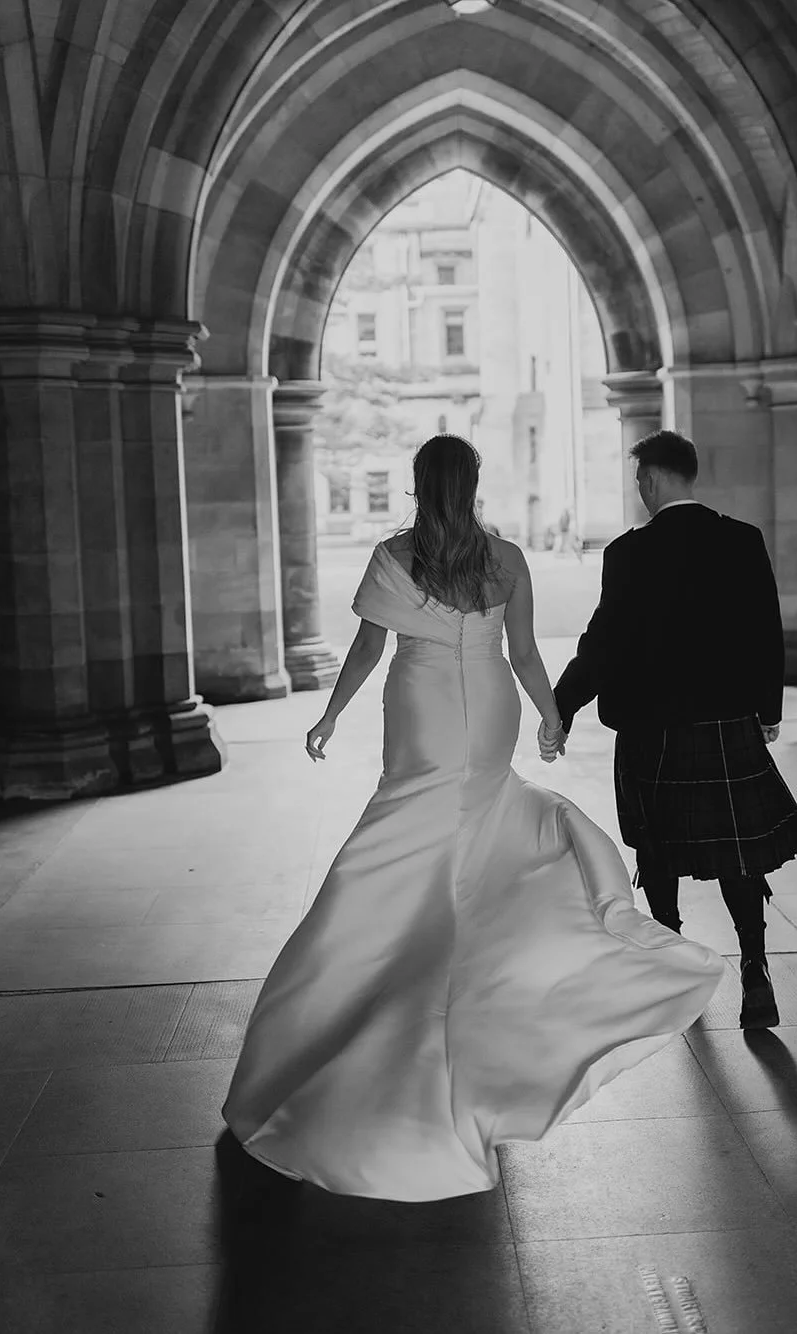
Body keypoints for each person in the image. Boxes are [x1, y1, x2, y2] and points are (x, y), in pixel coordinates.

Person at [222, 435, 723, 1201]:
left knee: (399, 838)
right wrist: (550, 719)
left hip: (421, 706)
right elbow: (522, 652)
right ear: (475, 482)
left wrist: (328, 715)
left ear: (421, 484)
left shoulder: (395, 554)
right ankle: (470, 988)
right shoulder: (507, 558)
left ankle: (378, 997)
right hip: (487, 704)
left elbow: (364, 647)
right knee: (483, 831)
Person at [550, 430, 797, 1029]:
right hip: (726, 725)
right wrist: (768, 711)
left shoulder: (628, 554)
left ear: (651, 479)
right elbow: (764, 631)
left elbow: (604, 646)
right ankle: (755, 968)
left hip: (652, 730)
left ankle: (674, 972)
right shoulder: (742, 541)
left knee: (658, 846)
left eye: (639, 480)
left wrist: (560, 707)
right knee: (739, 854)